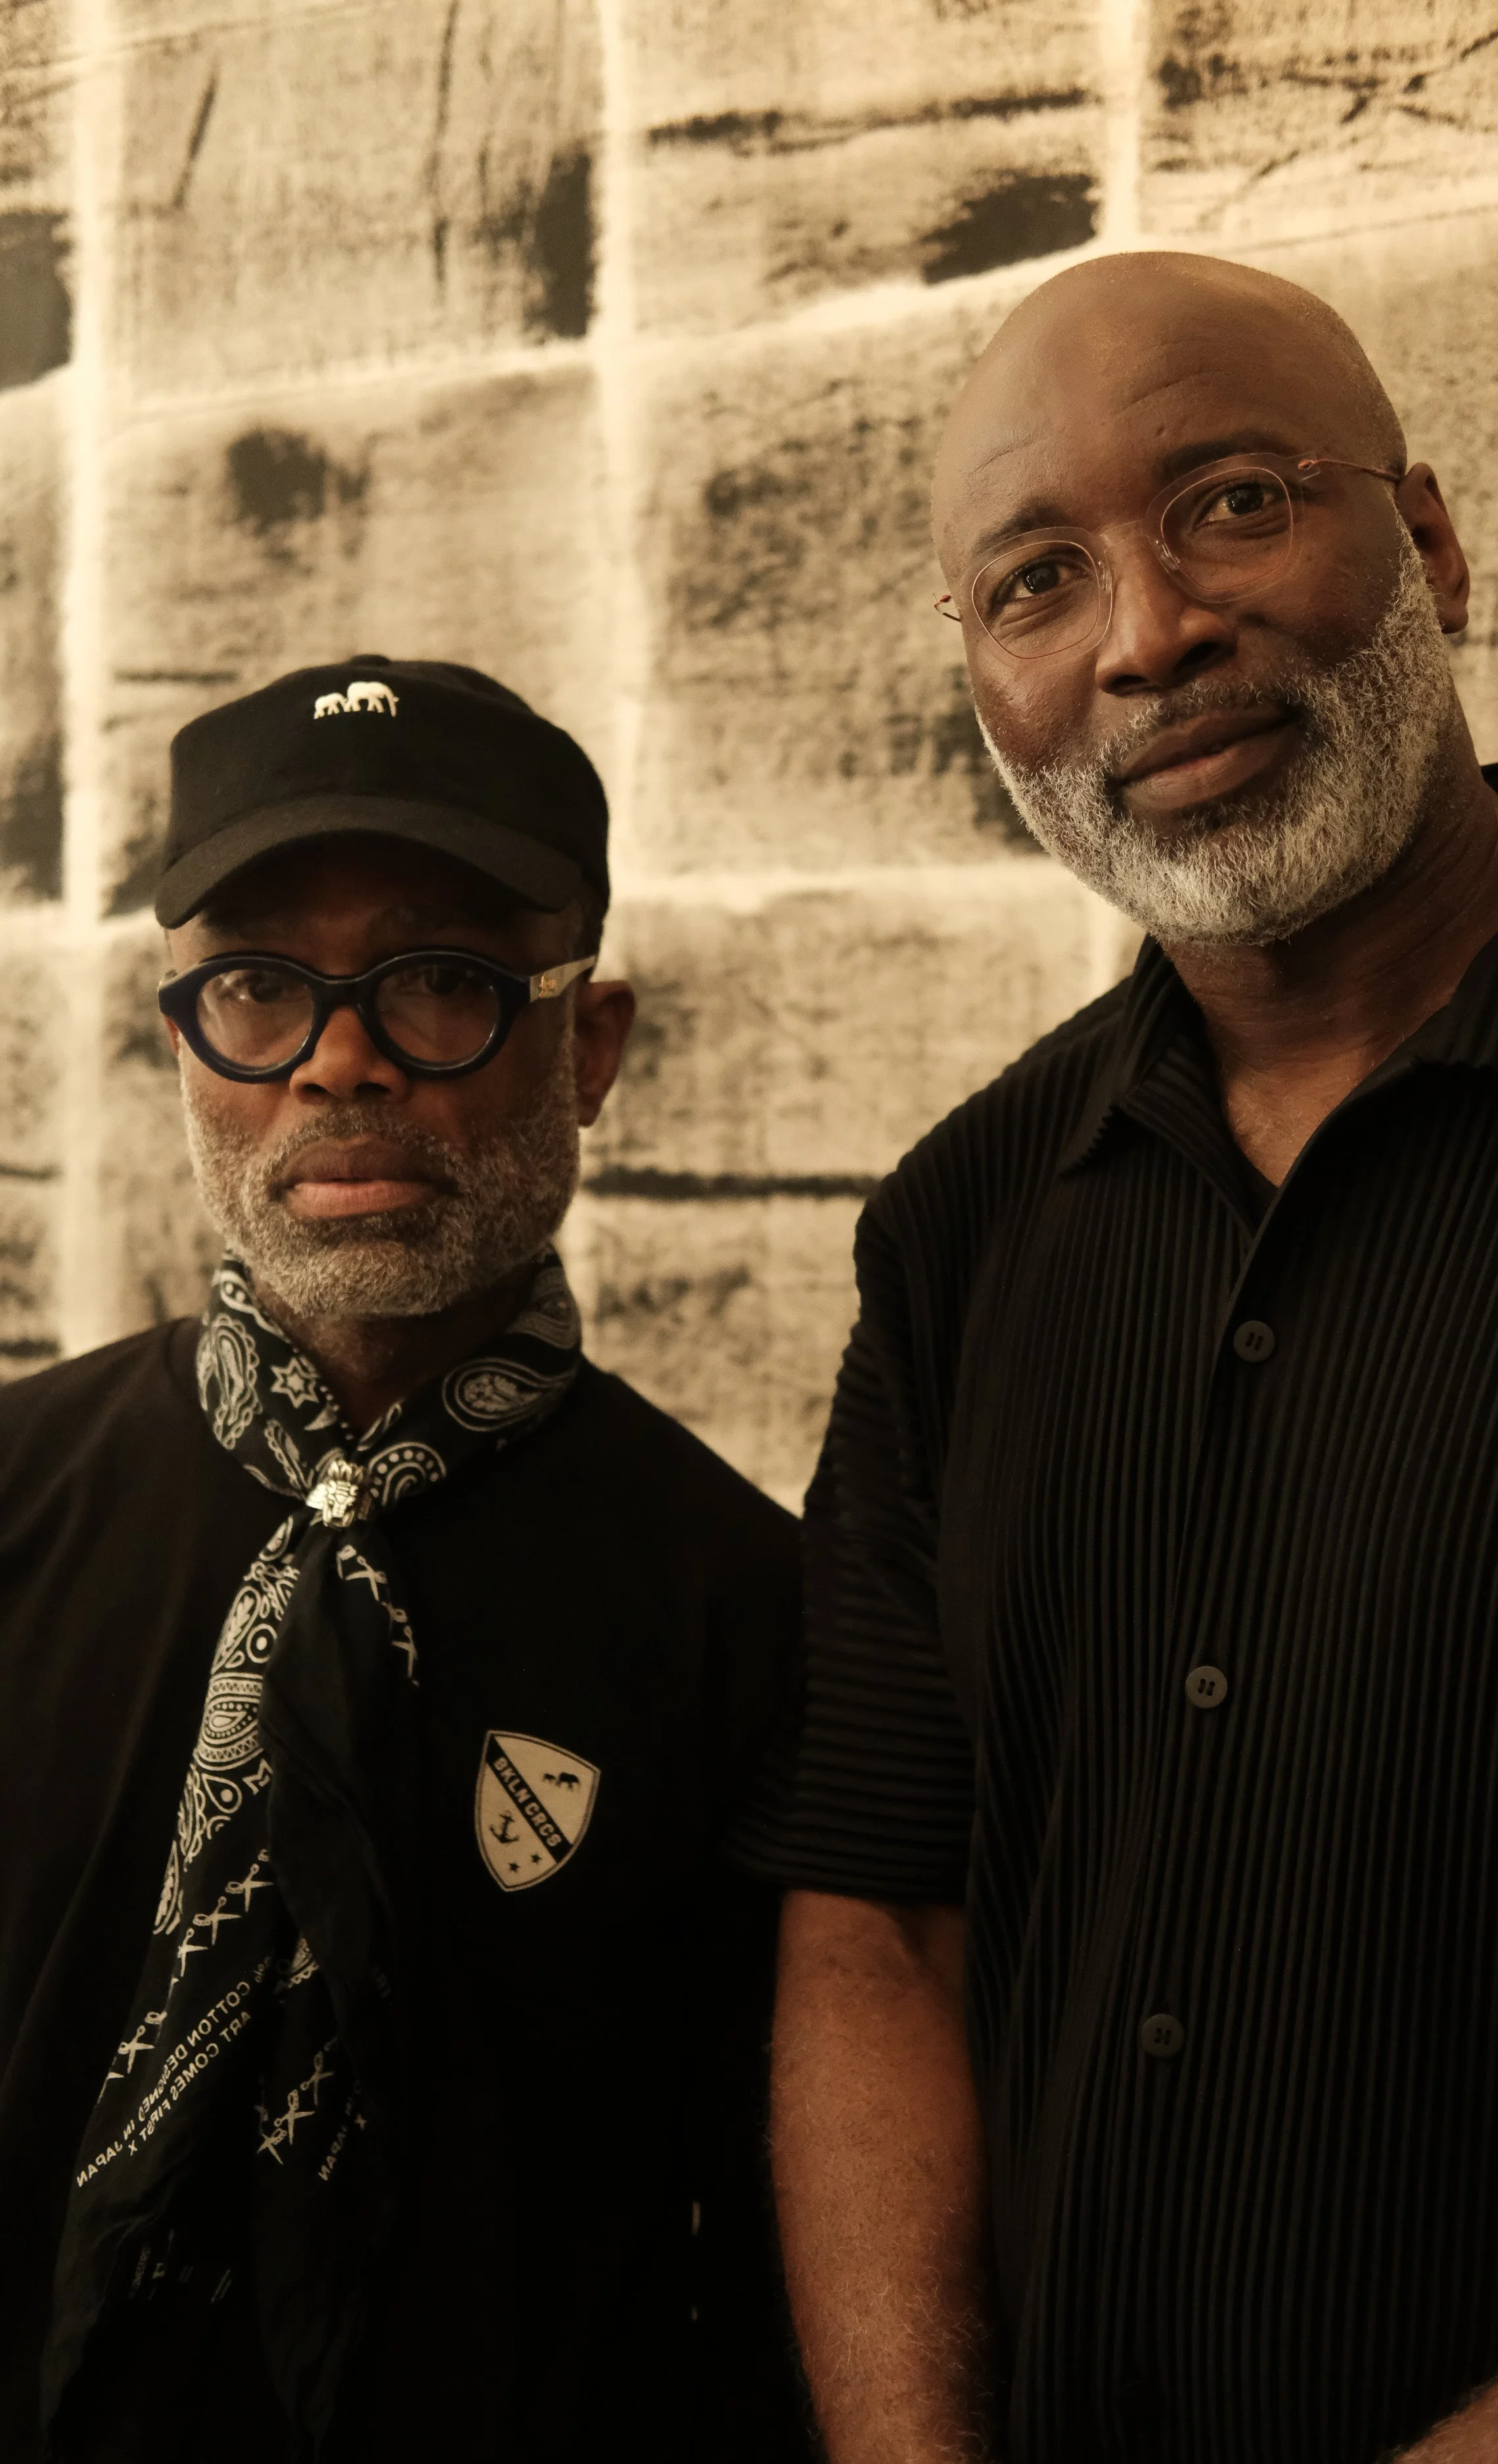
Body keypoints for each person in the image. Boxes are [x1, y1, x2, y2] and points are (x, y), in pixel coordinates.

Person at [751, 252, 1498, 2463]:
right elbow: (884, 1921)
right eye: (1034, 582)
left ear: (1426, 542)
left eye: (1233, 502)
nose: (1144, 634)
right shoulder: (963, 1221)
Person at [0, 656, 806, 2463]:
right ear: (181, 1044)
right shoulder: (15, 1506)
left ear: (585, 1044)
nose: (338, 1058)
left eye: (438, 980)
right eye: (260, 989)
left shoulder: (753, 1618)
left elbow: (760, 2264)